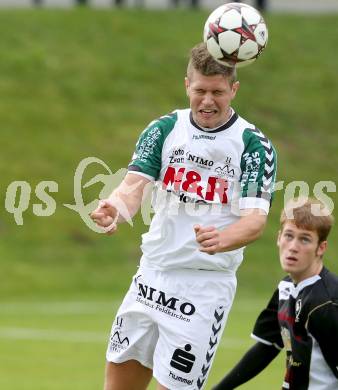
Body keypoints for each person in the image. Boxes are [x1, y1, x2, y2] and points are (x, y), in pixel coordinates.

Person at [90, 42, 277, 390]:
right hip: (151, 278)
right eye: (200, 90)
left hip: (203, 288)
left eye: (218, 92)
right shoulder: (163, 129)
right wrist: (114, 207)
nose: (208, 101)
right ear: (186, 85)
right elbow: (133, 186)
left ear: (233, 89)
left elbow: (255, 221)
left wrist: (224, 239)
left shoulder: (252, 144)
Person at [213, 197, 338, 390]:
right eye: (289, 236)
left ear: (321, 248)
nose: (293, 247)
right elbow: (267, 347)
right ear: (279, 238)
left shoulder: (327, 304)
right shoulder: (286, 288)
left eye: (304, 239)